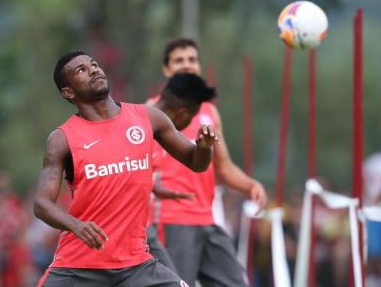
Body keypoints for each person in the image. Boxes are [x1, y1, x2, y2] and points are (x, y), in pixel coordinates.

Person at [34, 50, 219, 287]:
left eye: (94, 64)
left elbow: (196, 162)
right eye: (81, 70)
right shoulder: (61, 139)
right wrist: (76, 225)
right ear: (68, 92)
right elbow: (41, 205)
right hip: (79, 267)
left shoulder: (148, 117)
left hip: (137, 266)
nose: (93, 70)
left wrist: (204, 147)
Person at [148, 38, 267, 287]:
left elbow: (223, 166)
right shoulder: (152, 110)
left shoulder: (208, 112)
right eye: (179, 60)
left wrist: (250, 185)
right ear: (166, 70)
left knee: (236, 282)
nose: (187, 65)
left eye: (192, 59)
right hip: (171, 221)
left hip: (207, 218)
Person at [147, 73, 217, 272]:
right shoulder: (136, 123)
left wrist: (203, 147)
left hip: (141, 231)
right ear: (183, 112)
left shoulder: (161, 129)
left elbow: (196, 163)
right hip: (153, 225)